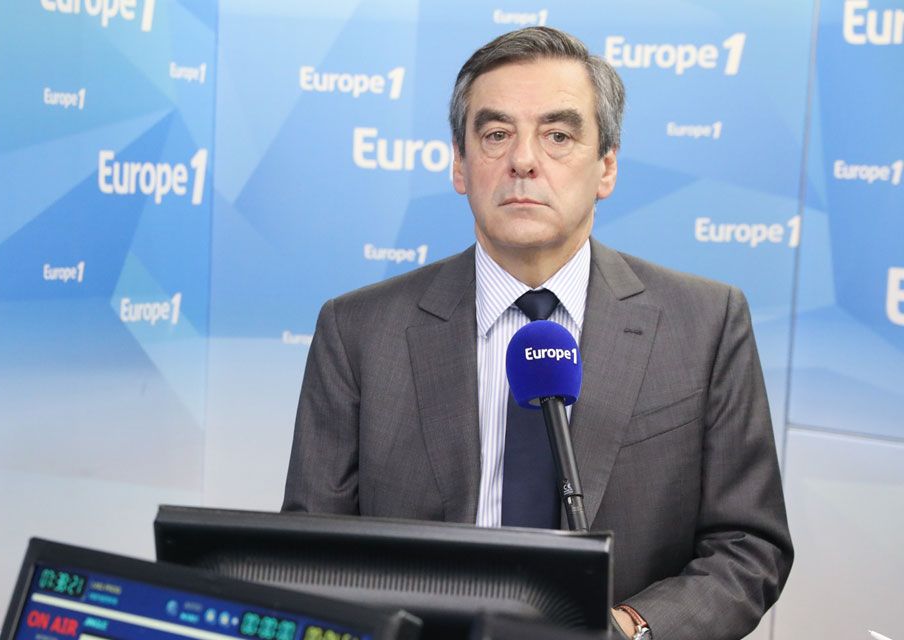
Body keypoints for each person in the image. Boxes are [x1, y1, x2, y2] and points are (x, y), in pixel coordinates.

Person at [282, 26, 792, 640]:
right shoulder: (358, 331)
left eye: (558, 135)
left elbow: (748, 546)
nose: (523, 160)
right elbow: (310, 553)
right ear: (459, 165)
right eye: (496, 135)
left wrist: (631, 628)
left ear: (606, 167)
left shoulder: (706, 324)